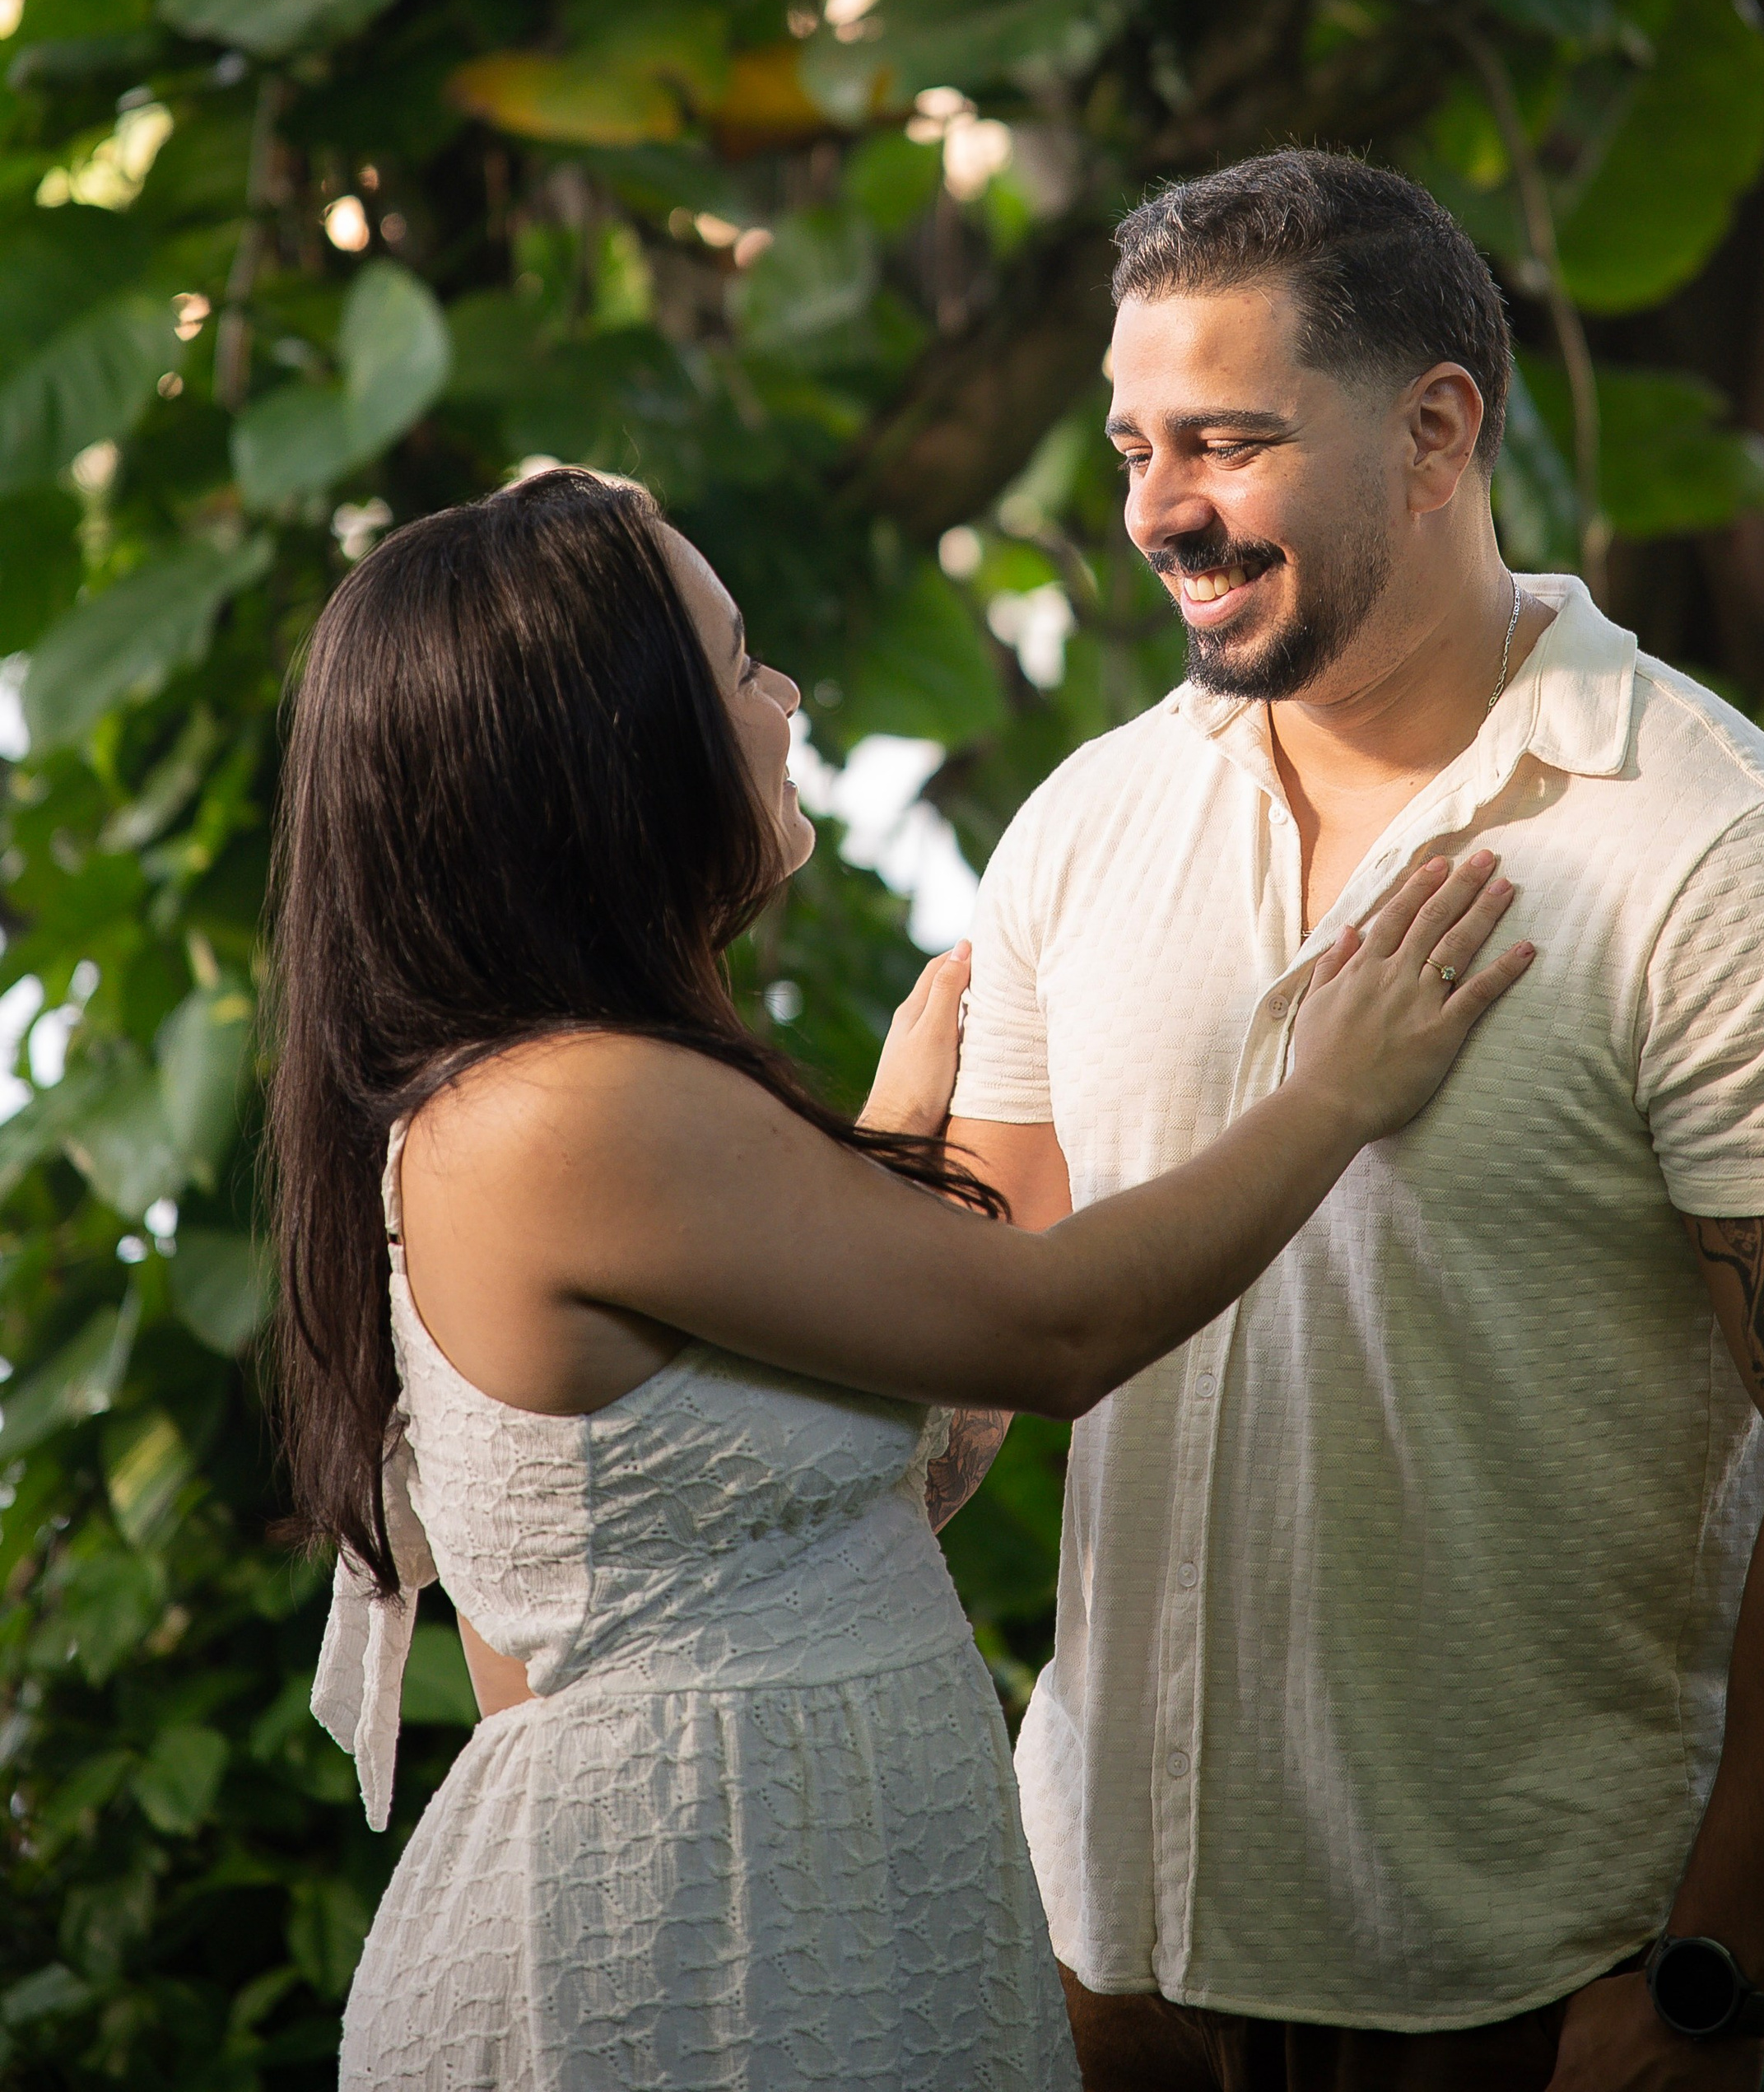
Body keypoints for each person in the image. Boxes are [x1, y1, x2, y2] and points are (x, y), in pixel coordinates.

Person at [268, 464, 1535, 2091]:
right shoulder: (567, 1110)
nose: (784, 696)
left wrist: (878, 1138)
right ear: (613, 759)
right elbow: (1056, 1331)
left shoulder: (562, 1099)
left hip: (768, 1908)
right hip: (680, 1953)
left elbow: (743, 1531)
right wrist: (1334, 1091)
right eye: (736, 666)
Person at [947, 149, 1764, 2092]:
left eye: (1226, 442)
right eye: (1130, 446)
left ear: (1435, 434)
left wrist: (1709, 1981)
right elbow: (977, 1337)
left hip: (1514, 1983)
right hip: (1098, 1955)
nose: (1158, 510)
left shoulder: (1723, 853)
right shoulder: (1085, 823)